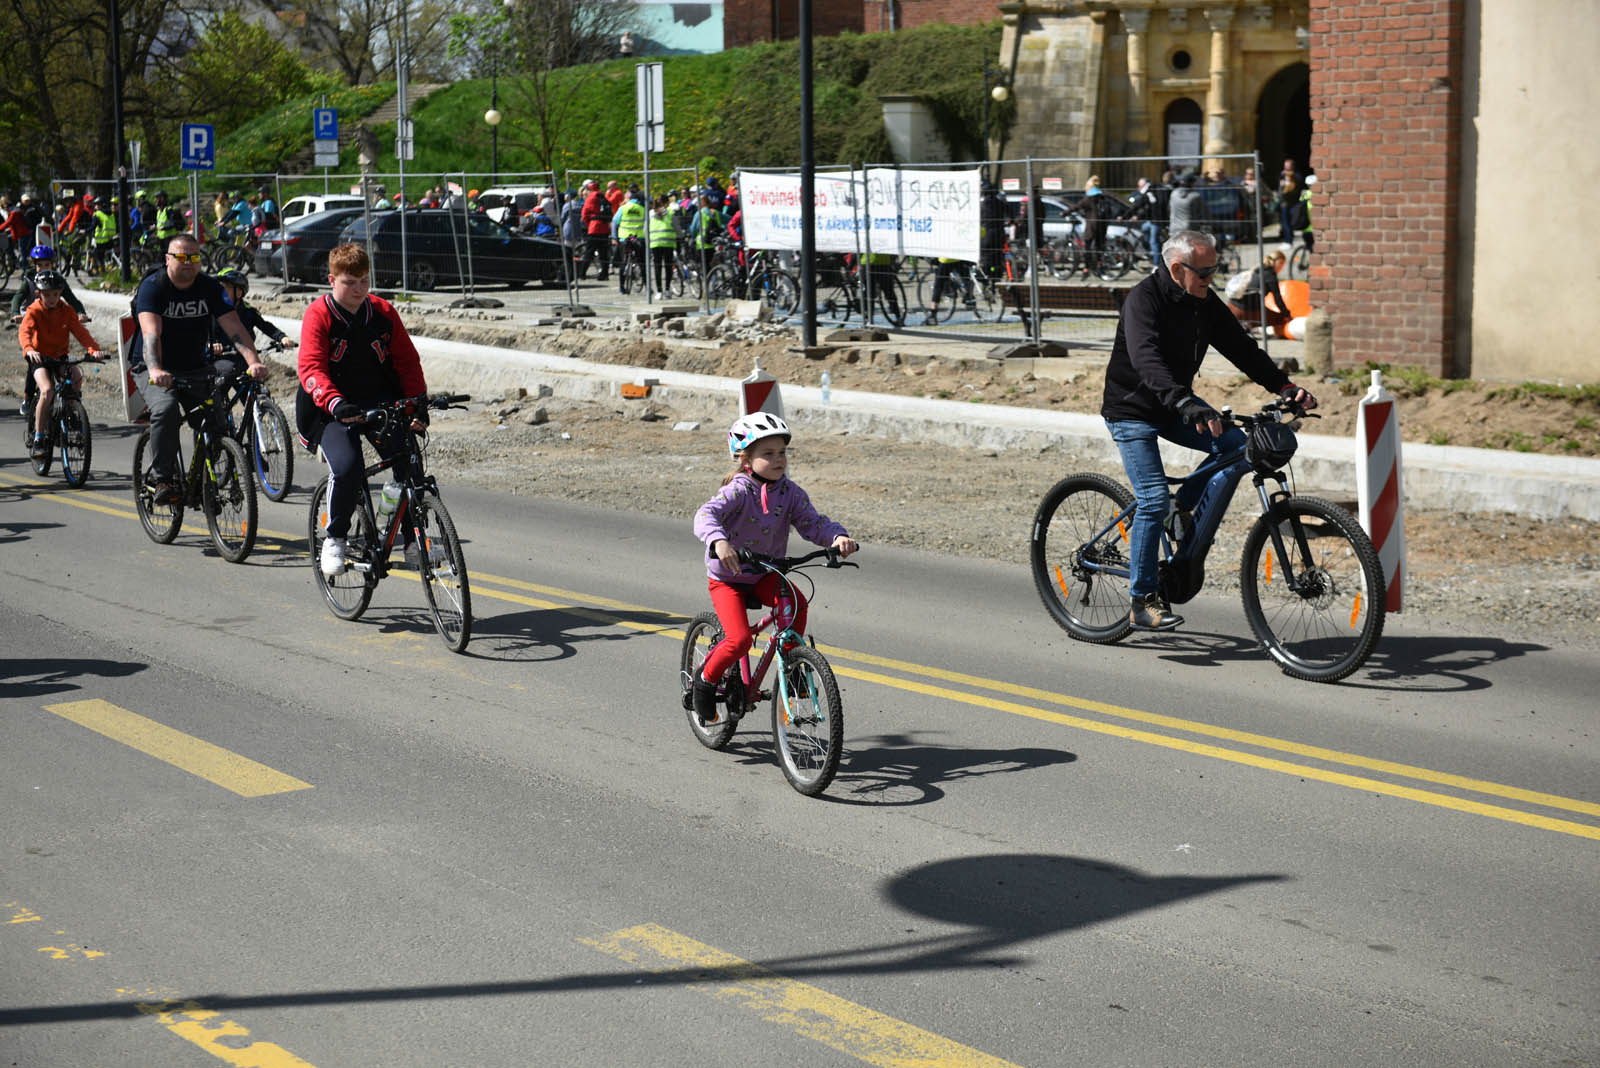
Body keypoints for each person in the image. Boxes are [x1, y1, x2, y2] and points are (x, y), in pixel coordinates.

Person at [1102, 229, 1316, 631]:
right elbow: (1147, 362)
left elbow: (1241, 348)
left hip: (1173, 405)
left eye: (1215, 270)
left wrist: (1283, 386)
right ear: (1178, 268)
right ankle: (1141, 600)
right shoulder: (1142, 301)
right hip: (1132, 410)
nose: (1212, 279)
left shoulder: (1202, 301)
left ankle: (1181, 508)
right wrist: (1187, 402)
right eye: (1205, 272)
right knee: (1150, 500)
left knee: (1236, 445)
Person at [688, 413, 859, 724]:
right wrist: (719, 542)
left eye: (782, 452)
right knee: (738, 640)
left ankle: (793, 667)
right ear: (745, 460)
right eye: (768, 454)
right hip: (729, 578)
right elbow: (705, 514)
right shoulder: (739, 490)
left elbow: (812, 523)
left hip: (765, 572)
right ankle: (705, 679)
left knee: (796, 604)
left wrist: (837, 537)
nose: (779, 459)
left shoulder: (789, 492)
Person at [296, 243, 428, 576]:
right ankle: (335, 538)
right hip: (330, 408)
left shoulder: (382, 312)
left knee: (410, 464)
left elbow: (407, 362)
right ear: (331, 280)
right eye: (349, 282)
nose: (358, 290)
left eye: (364, 282)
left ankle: (413, 540)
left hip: (379, 401)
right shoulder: (319, 314)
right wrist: (335, 402)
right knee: (348, 468)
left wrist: (417, 406)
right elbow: (311, 368)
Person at [131, 233, 266, 505]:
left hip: (195, 366)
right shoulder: (153, 286)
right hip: (153, 366)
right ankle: (163, 479)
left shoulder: (209, 288)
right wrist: (156, 370)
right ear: (168, 259)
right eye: (182, 257)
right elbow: (151, 334)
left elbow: (235, 328)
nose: (189, 263)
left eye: (195, 257)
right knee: (166, 409)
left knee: (216, 425)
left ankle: (202, 483)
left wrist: (253, 361)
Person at [18, 270, 104, 458]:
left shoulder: (66, 311)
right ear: (39, 294)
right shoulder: (34, 311)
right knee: (47, 390)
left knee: (76, 376)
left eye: (55, 294)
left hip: (60, 356)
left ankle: (71, 409)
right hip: (39, 358)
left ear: (60, 293)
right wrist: (29, 349)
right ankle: (39, 437)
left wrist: (93, 350)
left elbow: (81, 333)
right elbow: (24, 332)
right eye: (47, 295)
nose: (51, 298)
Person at [211, 268, 295, 358]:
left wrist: (282, 337)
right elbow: (201, 332)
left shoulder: (248, 312)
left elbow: (265, 326)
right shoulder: (213, 311)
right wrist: (210, 345)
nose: (220, 292)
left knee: (258, 371)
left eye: (225, 288)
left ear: (239, 293)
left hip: (246, 358)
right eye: (219, 288)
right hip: (219, 359)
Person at [1224, 244, 1292, 336]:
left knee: (1262, 309)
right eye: (1282, 264)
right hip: (1246, 311)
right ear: (1278, 262)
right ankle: (1249, 325)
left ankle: (1246, 326)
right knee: (1280, 319)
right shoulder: (1270, 275)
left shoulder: (1257, 269)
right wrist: (1287, 315)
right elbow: (1278, 299)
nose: (1282, 268)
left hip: (1231, 306)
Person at [9, 245, 85, 321]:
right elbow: (18, 297)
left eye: (47, 265)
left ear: (52, 265)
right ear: (34, 265)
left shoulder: (58, 280)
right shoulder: (29, 281)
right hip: (30, 317)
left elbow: (71, 298)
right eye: (39, 265)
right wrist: (16, 313)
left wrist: (80, 312)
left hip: (51, 317)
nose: (43, 268)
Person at [613, 189, 647, 291]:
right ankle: (646, 285)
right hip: (638, 238)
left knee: (623, 262)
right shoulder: (642, 209)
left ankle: (622, 287)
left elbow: (615, 221)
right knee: (642, 262)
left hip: (625, 238)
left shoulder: (623, 208)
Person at [1127, 177, 1164, 267]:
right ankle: (1151, 250)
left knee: (1153, 242)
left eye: (1139, 186)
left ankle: (1156, 265)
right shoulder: (1150, 192)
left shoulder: (1150, 192)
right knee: (1144, 229)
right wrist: (1138, 216)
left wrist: (1126, 215)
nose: (1139, 188)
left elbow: (1140, 205)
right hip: (1151, 221)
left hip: (1157, 221)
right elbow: (1146, 208)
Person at [580, 179, 613, 281]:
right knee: (604, 254)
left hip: (594, 228)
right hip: (605, 228)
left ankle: (582, 274)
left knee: (589, 252)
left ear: (589, 189)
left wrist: (589, 224)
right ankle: (605, 274)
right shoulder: (603, 196)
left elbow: (584, 214)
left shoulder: (590, 197)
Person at [647, 196, 677, 298]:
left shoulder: (650, 214)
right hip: (668, 243)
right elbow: (677, 228)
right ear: (666, 203)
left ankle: (659, 292)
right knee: (668, 267)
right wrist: (681, 236)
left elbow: (645, 229)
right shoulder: (670, 213)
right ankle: (668, 290)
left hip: (655, 243)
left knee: (657, 267)